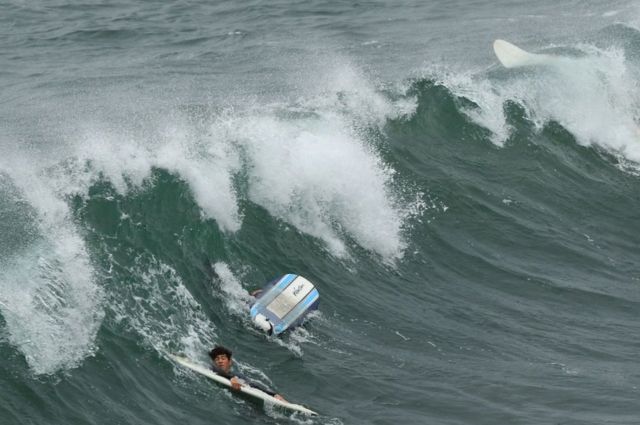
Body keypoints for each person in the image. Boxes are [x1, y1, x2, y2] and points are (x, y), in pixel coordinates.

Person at [208, 346, 285, 401]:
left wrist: (273, 394)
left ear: (230, 362)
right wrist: (230, 378)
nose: (220, 361)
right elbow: (216, 370)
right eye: (217, 359)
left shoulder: (238, 376)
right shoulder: (212, 369)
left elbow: (252, 384)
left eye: (223, 358)